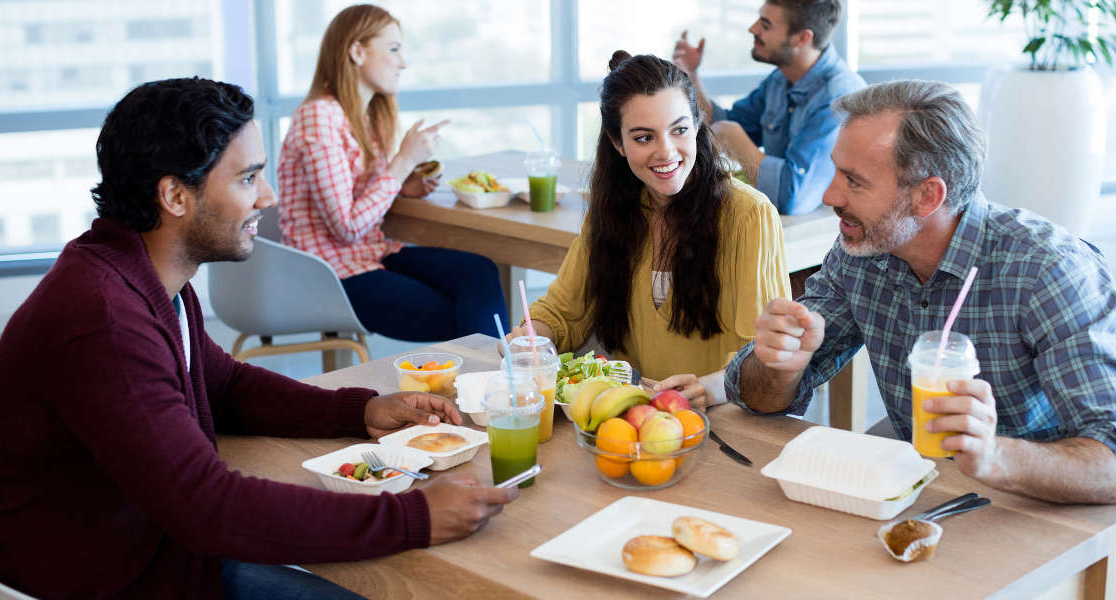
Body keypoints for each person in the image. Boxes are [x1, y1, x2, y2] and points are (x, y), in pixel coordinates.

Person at [0, 77, 517, 599]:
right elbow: (208, 507)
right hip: (124, 582)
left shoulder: (145, 279)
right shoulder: (104, 320)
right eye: (248, 178)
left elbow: (226, 387)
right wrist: (412, 514)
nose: (268, 197)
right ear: (175, 195)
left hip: (161, 559)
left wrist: (361, 411)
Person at [725, 79, 1116, 506]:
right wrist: (780, 366)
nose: (829, 194)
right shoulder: (863, 251)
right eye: (835, 170)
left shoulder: (1049, 271)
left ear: (927, 196)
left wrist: (996, 456)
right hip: (926, 494)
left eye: (854, 181)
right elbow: (756, 400)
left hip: (1036, 511)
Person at [508, 52, 791, 407]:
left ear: (697, 125)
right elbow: (564, 311)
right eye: (644, 138)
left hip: (725, 424)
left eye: (679, 130)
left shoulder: (750, 215)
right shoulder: (612, 212)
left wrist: (711, 387)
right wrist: (533, 340)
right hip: (636, 421)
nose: (666, 152)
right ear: (617, 143)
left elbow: (765, 355)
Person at [278, 4, 508, 341]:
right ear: (357, 51)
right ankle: (494, 386)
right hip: (331, 274)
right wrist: (401, 163)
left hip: (371, 254)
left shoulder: (365, 116)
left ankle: (493, 384)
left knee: (481, 272)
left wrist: (403, 184)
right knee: (465, 315)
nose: (403, 62)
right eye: (394, 49)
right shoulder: (319, 117)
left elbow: (351, 193)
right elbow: (346, 227)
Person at [673, 0, 864, 216]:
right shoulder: (779, 81)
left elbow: (791, 197)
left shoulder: (838, 97)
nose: (752, 29)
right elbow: (719, 125)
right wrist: (691, 76)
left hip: (823, 236)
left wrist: (735, 138)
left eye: (765, 25)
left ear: (802, 38)